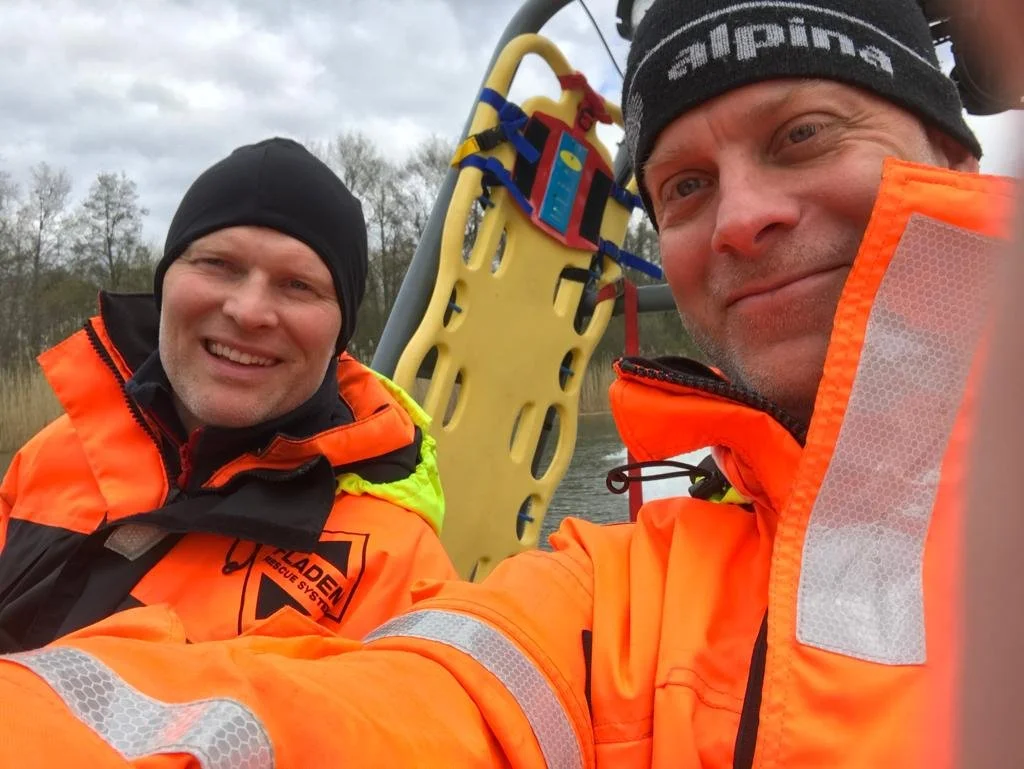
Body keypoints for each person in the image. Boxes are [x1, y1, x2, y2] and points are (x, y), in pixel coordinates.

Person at [0, 1, 1014, 767]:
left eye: (804, 134)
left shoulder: (389, 543)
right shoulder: (612, 599)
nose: (743, 217)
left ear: (952, 154)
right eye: (686, 186)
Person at [0, 137, 455, 651]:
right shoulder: (54, 454)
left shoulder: (392, 566)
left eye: (298, 285)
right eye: (219, 265)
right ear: (166, 281)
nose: (248, 311)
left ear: (340, 335)